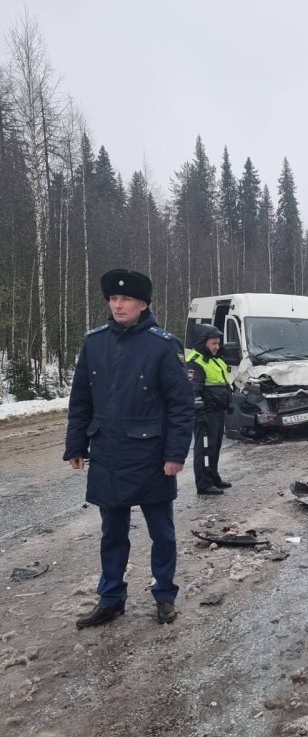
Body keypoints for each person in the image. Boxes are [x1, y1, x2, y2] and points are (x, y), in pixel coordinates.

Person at [64, 269, 195, 628]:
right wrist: (76, 443)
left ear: (143, 304)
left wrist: (174, 454)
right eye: (113, 299)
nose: (117, 305)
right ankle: (111, 599)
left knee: (162, 532)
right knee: (112, 533)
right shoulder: (95, 343)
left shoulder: (163, 345)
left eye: (125, 300)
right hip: (108, 452)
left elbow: (181, 405)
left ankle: (165, 594)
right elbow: (81, 400)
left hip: (152, 456)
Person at [186, 325, 233, 495]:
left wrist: (229, 402)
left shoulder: (215, 359)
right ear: (203, 342)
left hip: (217, 411)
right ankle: (204, 484)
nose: (217, 347)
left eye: (218, 343)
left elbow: (222, 384)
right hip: (205, 413)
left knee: (215, 447)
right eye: (213, 343)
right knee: (205, 449)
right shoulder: (195, 361)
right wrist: (200, 413)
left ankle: (213, 477)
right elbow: (193, 390)